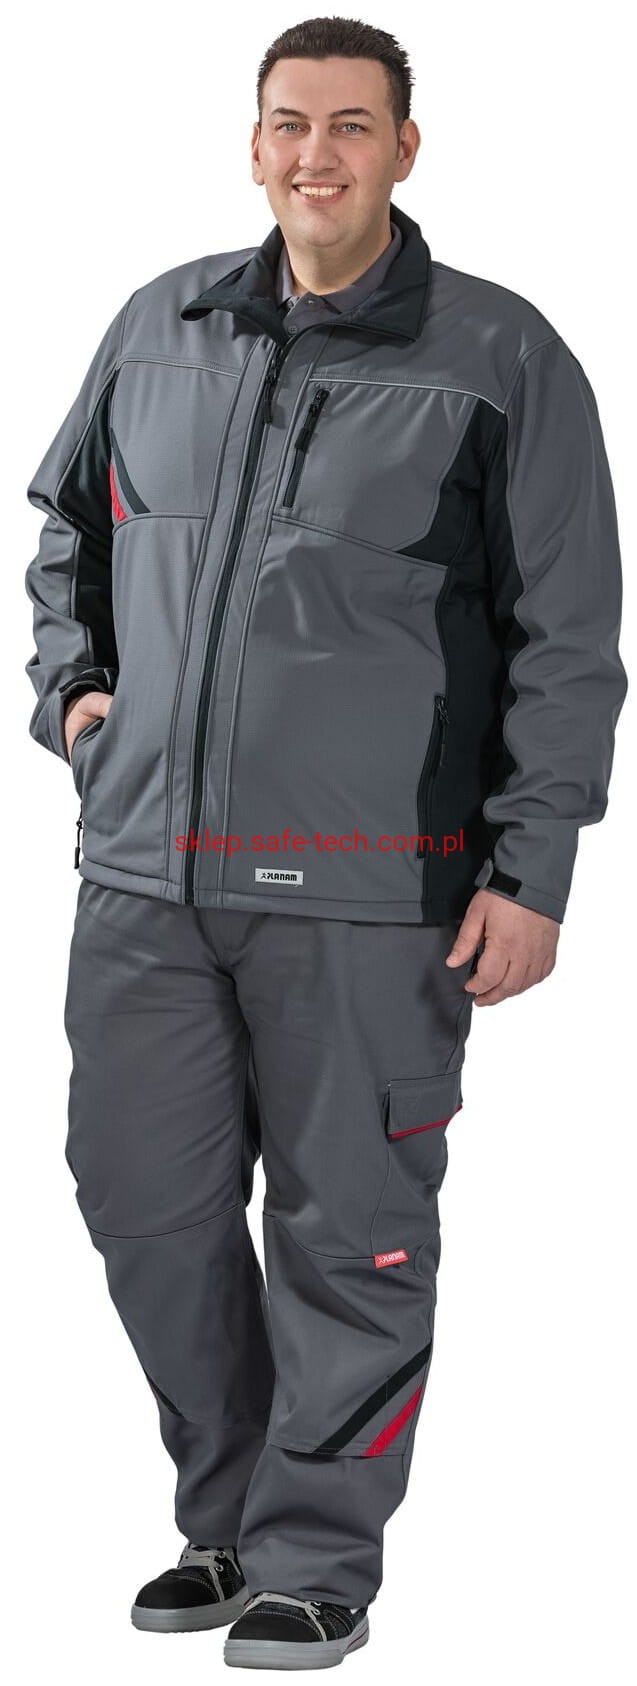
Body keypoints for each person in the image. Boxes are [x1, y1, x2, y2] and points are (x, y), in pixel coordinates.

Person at [23, 14, 628, 1672]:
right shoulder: (158, 324)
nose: (316, 154)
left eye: (352, 125)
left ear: (404, 149)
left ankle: (314, 1557)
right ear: (252, 143)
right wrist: (76, 700)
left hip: (371, 890)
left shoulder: (498, 357)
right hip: (143, 878)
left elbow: (569, 639)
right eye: (290, 123)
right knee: (138, 1201)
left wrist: (532, 867)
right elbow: (68, 535)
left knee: (349, 1226)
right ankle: (227, 1516)